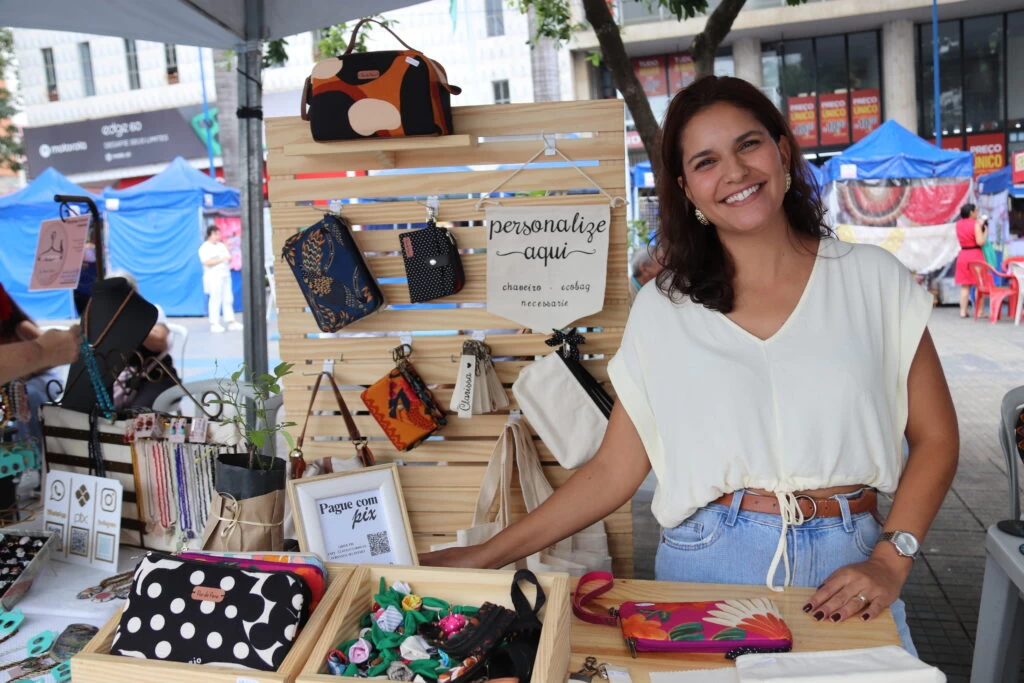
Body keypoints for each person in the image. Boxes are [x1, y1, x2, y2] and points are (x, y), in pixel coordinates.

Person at [421, 76, 959, 655]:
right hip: (710, 559)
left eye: (748, 145)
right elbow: (614, 471)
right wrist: (487, 552)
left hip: (849, 560)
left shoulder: (871, 280)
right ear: (687, 188)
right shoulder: (664, 309)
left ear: (781, 151)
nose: (734, 172)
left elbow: (936, 438)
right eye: (706, 161)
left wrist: (891, 558)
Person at [0, 283, 79, 435]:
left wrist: (32, 367)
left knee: (29, 396)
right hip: (21, 384)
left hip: (41, 381)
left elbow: (53, 356)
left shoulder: (21, 327)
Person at [198, 226, 242, 333]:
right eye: (216, 234)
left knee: (228, 298)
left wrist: (229, 252)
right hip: (214, 276)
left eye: (219, 234)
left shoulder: (221, 245)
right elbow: (206, 262)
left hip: (225, 275)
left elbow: (228, 257)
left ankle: (231, 321)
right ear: (211, 234)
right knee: (215, 299)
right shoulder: (204, 248)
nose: (218, 236)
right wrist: (221, 259)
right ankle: (214, 323)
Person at [953, 203, 987, 318]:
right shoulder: (975, 224)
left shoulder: (958, 224)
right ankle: (980, 311)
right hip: (975, 256)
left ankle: (963, 311)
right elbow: (980, 242)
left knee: (965, 285)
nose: (977, 213)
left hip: (963, 255)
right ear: (971, 212)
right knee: (979, 284)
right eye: (976, 211)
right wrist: (984, 233)